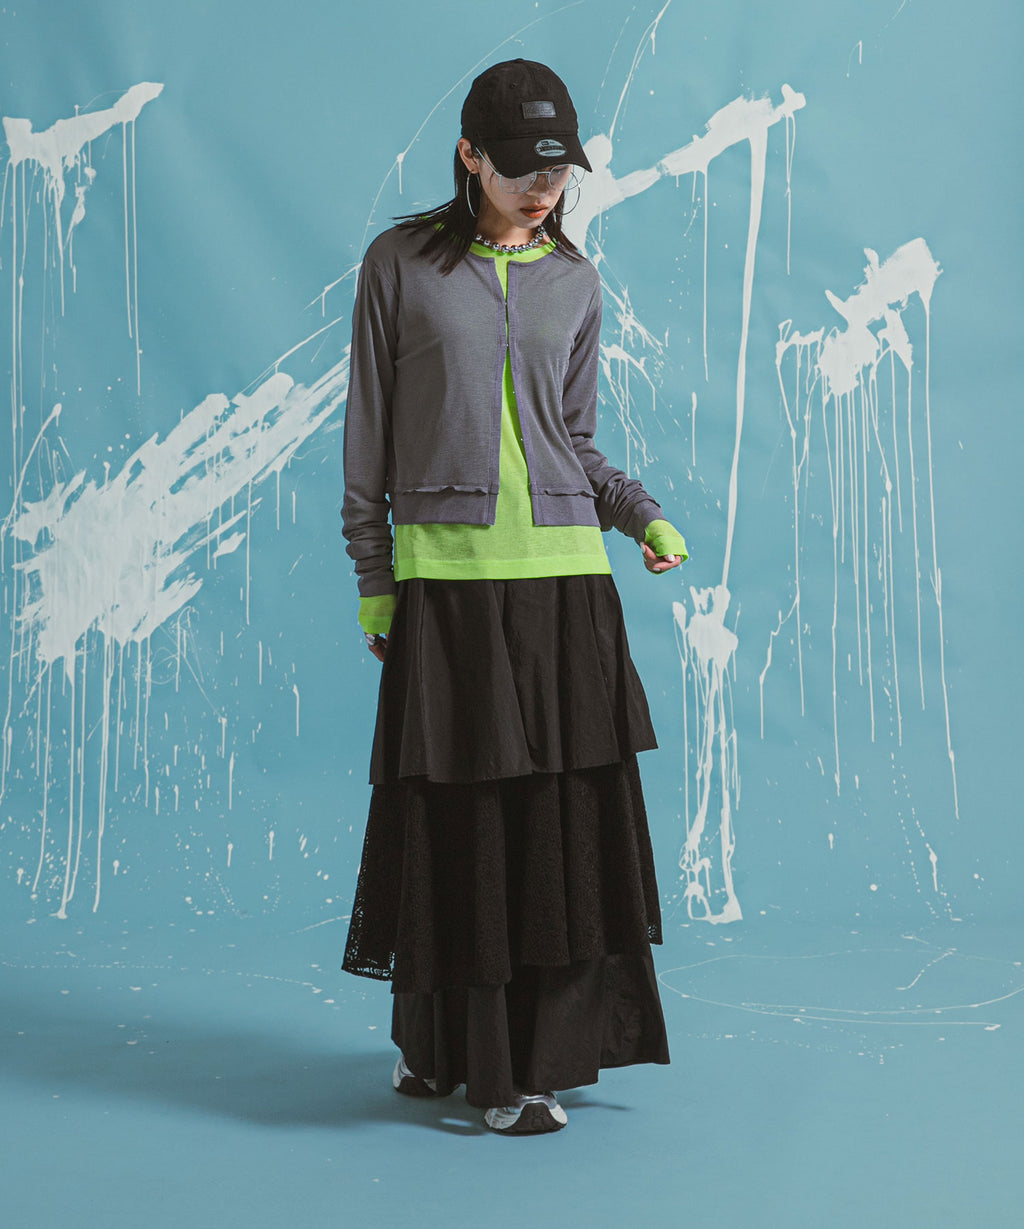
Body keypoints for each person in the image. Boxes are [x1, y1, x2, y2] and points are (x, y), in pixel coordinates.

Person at [340, 59, 688, 1136]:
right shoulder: (399, 265)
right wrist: (375, 578)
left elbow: (571, 441)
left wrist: (639, 515)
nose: (545, 188)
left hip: (564, 583)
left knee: (551, 833)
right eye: (524, 167)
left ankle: (528, 1063)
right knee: (458, 823)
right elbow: (366, 441)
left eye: (559, 169)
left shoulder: (575, 280)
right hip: (447, 584)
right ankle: (442, 1047)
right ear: (469, 155)